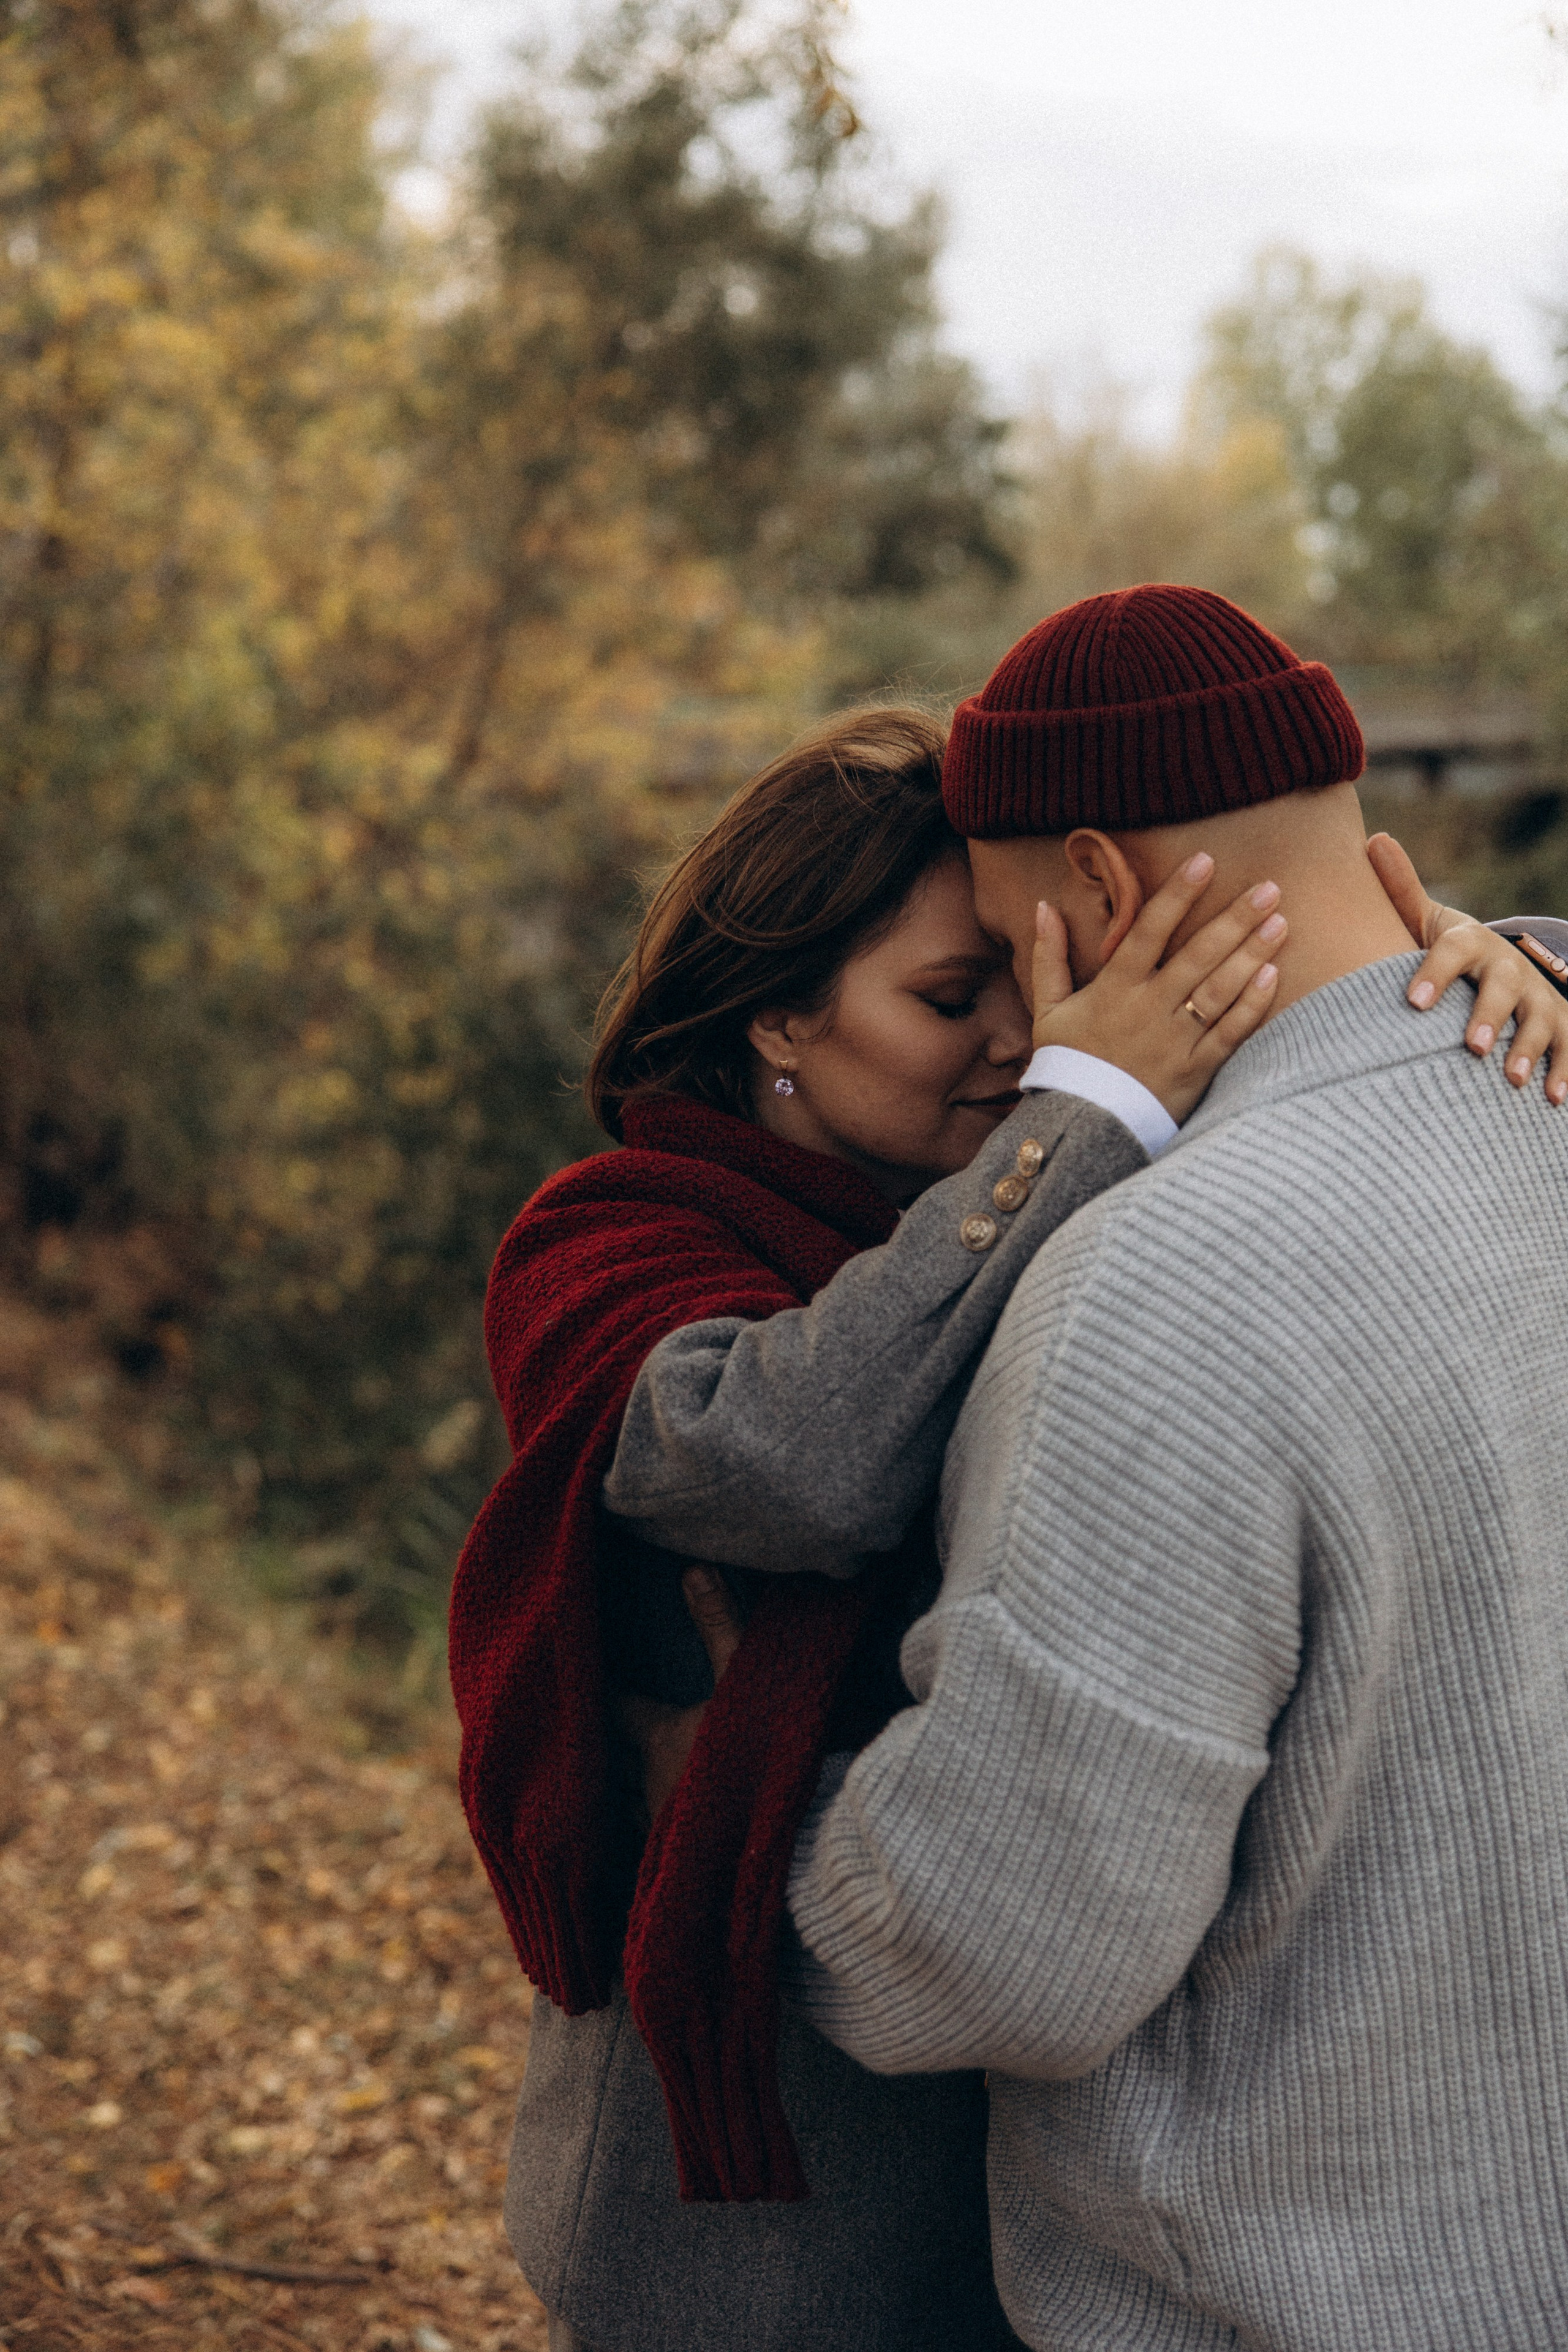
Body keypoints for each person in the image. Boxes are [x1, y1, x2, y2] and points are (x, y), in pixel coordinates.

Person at [450, 690, 1566, 2352]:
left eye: (1037, 984)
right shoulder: (614, 1231)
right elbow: (781, 1462)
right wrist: (1084, 1108)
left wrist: (1490, 956)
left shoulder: (1063, 1197)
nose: (1016, 1038)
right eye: (947, 997)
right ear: (777, 1021)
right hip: (765, 2159)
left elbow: (1338, 1000)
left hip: (1031, 2111)